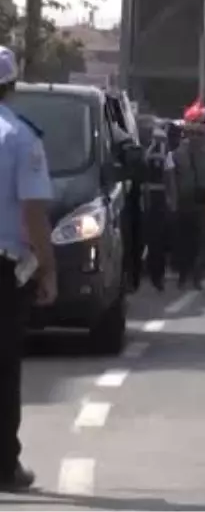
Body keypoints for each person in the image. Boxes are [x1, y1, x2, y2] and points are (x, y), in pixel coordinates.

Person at [0, 47, 56, 491]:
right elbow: (33, 213)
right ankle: (4, 466)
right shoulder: (20, 137)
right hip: (4, 266)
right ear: (13, 86)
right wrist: (47, 269)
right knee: (3, 368)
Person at [165, 120, 205, 291]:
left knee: (203, 241)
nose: (196, 138)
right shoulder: (174, 155)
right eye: (192, 133)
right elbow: (170, 180)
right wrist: (172, 202)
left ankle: (197, 274)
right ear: (186, 135)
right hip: (184, 202)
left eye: (200, 134)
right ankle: (183, 274)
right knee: (184, 241)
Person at [142, 126, 172, 291]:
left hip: (150, 198)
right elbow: (169, 176)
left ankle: (155, 274)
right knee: (155, 238)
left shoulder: (152, 150)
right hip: (153, 198)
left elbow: (168, 175)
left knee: (154, 238)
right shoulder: (161, 151)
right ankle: (155, 274)